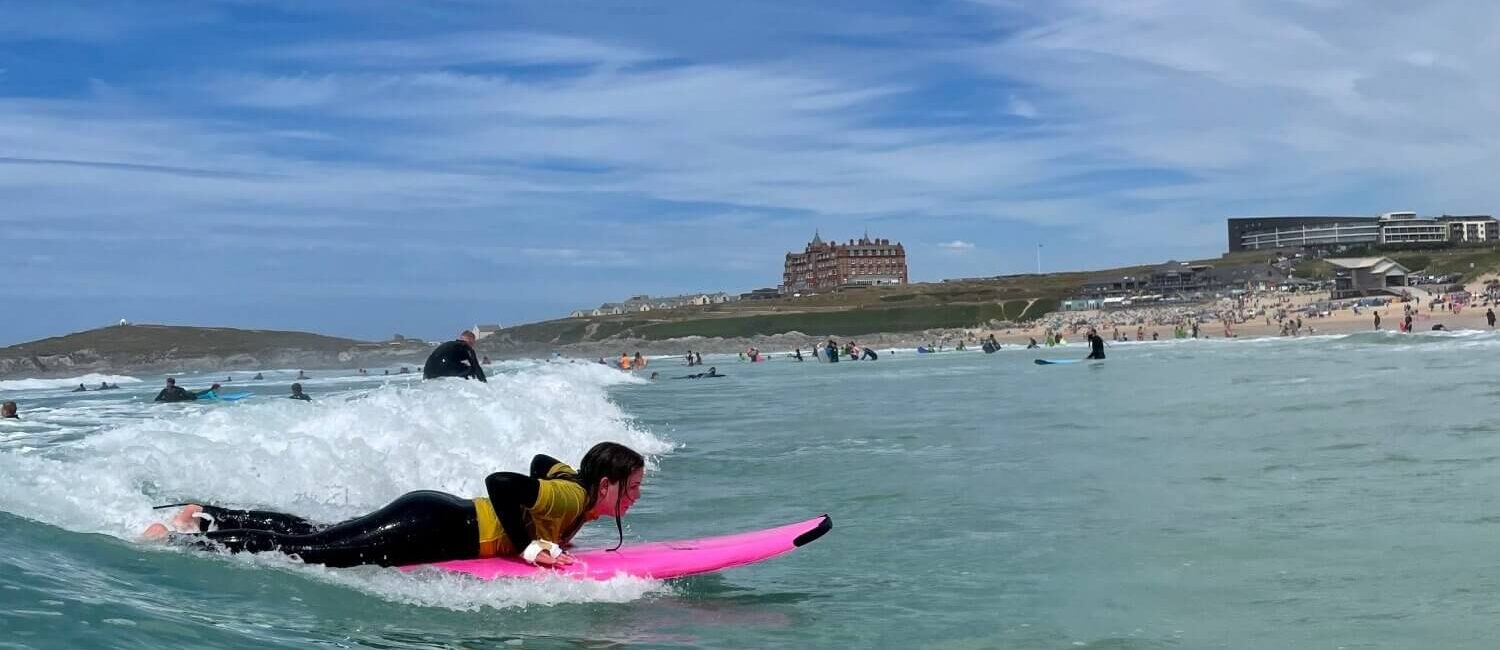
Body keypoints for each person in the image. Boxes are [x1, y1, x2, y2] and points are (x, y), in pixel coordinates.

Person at [142, 442, 645, 569]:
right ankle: (183, 540)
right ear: (606, 485)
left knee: (319, 531)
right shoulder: (570, 494)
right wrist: (529, 543)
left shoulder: (570, 482)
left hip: (434, 513)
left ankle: (207, 513)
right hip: (431, 526)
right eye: (632, 487)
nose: (637, 496)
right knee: (312, 552)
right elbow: (501, 481)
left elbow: (539, 459)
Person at [423, 331, 488, 382]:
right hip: (443, 369)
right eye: (473, 344)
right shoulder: (466, 347)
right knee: (472, 370)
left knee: (462, 366)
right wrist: (485, 383)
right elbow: (476, 367)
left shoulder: (448, 344)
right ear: (471, 341)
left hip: (428, 372)